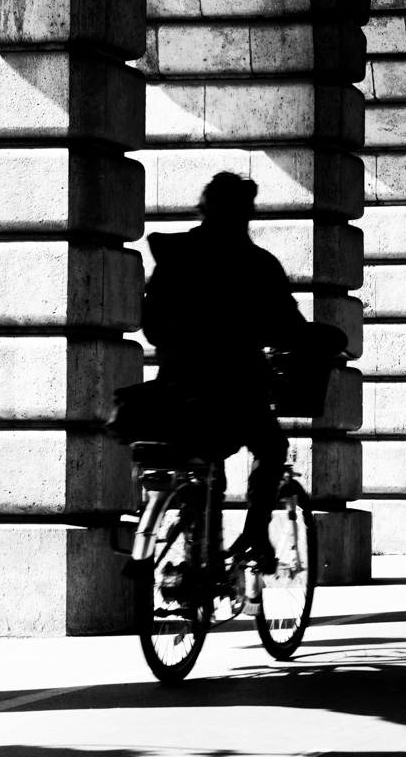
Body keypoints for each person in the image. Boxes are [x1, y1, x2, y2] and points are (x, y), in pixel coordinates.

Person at [142, 172, 304, 571]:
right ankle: (253, 536)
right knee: (271, 447)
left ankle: (202, 556)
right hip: (238, 389)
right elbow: (287, 327)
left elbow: (152, 326)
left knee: (205, 455)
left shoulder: (174, 256)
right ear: (246, 212)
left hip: (178, 389)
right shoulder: (258, 264)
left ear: (205, 207)